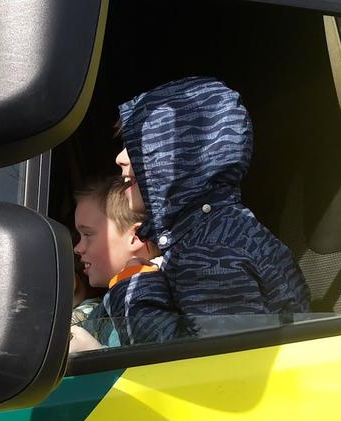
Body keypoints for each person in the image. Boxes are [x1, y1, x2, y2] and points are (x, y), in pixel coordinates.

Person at [114, 76, 311, 328]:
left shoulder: (208, 254)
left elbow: (215, 359)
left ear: (181, 156)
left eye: (138, 147)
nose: (120, 158)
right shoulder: (217, 230)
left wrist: (135, 287)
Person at [72, 177, 178, 347]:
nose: (77, 248)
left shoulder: (155, 299)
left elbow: (153, 363)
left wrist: (93, 354)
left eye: (88, 235)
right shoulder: (113, 301)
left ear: (135, 237)